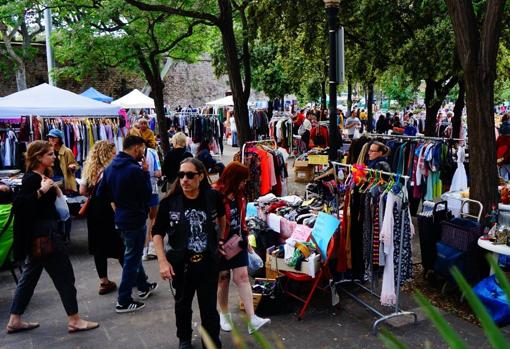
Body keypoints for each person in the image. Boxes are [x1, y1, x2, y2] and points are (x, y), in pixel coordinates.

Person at [6, 140, 99, 334]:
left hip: (41, 236)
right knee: (64, 276)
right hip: (45, 235)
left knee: (29, 277)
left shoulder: (41, 176)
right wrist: (44, 190)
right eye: (50, 154)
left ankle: (15, 319)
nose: (54, 157)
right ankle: (74, 319)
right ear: (39, 157)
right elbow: (23, 205)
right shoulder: (32, 179)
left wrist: (53, 188)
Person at [152, 158, 226, 349]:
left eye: (190, 175)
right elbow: (157, 232)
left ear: (201, 176)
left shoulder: (212, 197)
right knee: (183, 305)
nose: (184, 179)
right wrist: (162, 261)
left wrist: (219, 240)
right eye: (181, 175)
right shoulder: (170, 202)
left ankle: (210, 341)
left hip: (208, 263)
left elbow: (222, 217)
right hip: (181, 266)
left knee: (209, 308)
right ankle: (184, 339)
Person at [97, 135, 158, 313]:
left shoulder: (110, 168)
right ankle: (123, 300)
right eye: (142, 149)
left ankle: (143, 286)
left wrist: (118, 203)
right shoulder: (134, 170)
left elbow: (102, 194)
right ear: (136, 147)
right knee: (132, 258)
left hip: (122, 217)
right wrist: (146, 172)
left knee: (133, 252)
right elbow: (147, 195)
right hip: (135, 218)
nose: (143, 154)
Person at [213, 162, 271, 335]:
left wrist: (248, 244)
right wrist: (216, 243)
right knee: (223, 278)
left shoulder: (240, 195)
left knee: (243, 277)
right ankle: (224, 314)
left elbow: (242, 220)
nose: (244, 183)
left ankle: (252, 318)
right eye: (242, 180)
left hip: (237, 241)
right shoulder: (215, 193)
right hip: (220, 244)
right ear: (234, 178)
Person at [79, 141, 124, 295]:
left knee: (98, 246)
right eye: (113, 152)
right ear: (107, 153)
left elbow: (82, 190)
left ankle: (104, 281)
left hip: (94, 210)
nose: (115, 154)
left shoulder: (89, 170)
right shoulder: (111, 169)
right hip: (109, 209)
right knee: (120, 245)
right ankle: (135, 278)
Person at [142, 143, 162, 261]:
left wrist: (152, 173)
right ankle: (146, 248)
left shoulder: (152, 153)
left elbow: (159, 172)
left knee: (153, 217)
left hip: (151, 189)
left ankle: (151, 247)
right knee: (142, 220)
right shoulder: (127, 155)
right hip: (139, 191)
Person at [47, 129, 79, 193]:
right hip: (51, 177)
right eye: (50, 137)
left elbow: (76, 165)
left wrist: (72, 166)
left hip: (63, 179)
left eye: (54, 137)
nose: (51, 139)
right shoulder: (48, 150)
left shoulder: (67, 151)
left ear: (59, 138)